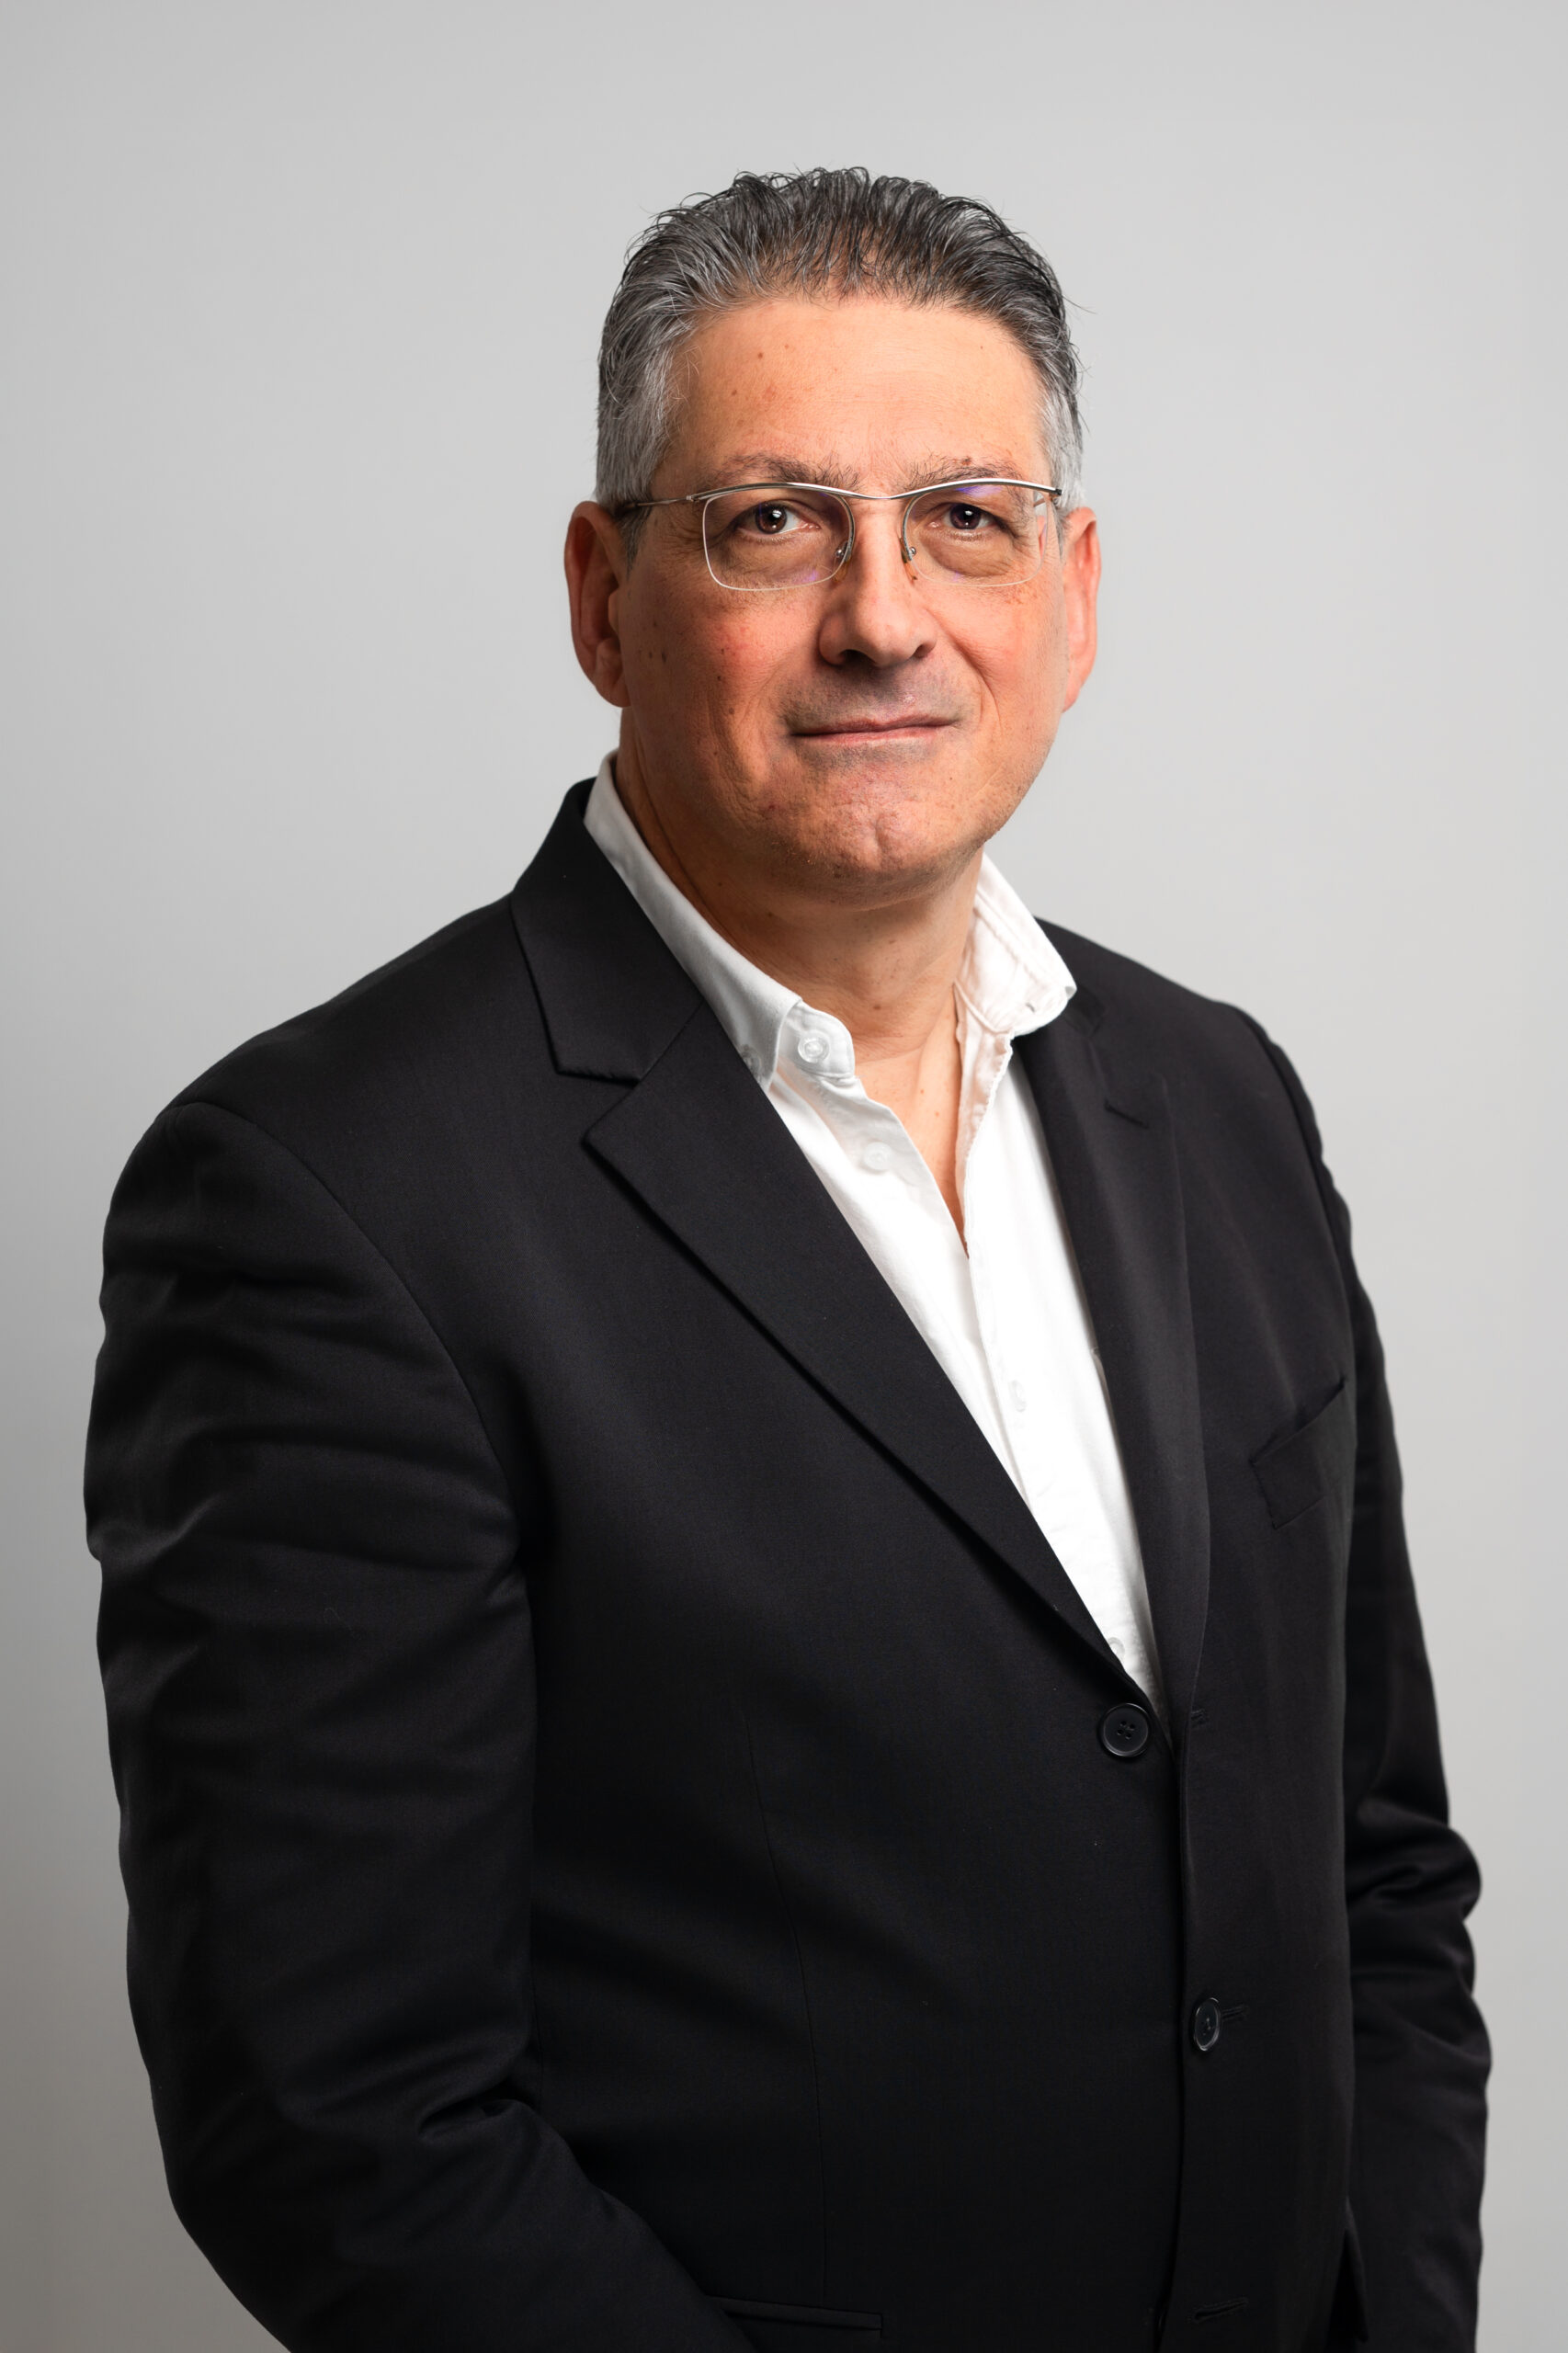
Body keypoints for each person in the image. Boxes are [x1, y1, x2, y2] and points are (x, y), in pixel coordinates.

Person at [85, 169, 1487, 2353]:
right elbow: (344, 2121)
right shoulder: (324, 1194)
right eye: (772, 524)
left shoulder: (1217, 1097)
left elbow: (1371, 1861)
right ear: (603, 596)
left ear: (1072, 596)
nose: (883, 616)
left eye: (966, 519)